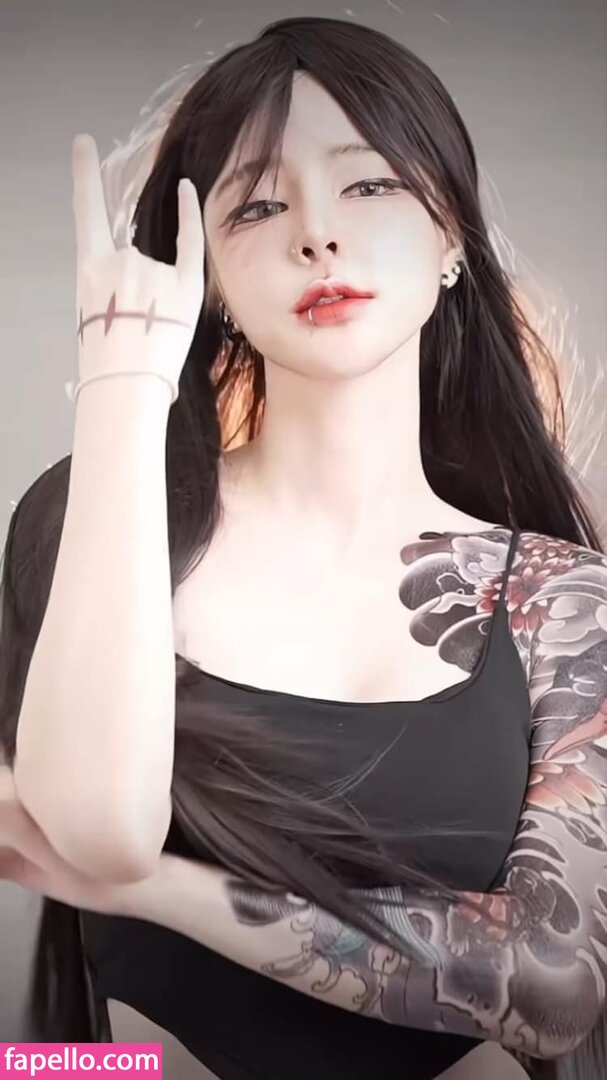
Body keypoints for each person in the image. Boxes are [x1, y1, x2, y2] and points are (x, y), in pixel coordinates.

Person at [0, 14, 606, 1080]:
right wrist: (123, 384)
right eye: (258, 205)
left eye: (368, 185)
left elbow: (553, 988)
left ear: (451, 239)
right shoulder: (103, 515)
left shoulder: (562, 600)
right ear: (209, 282)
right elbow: (93, 834)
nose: (318, 236)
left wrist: (167, 891)